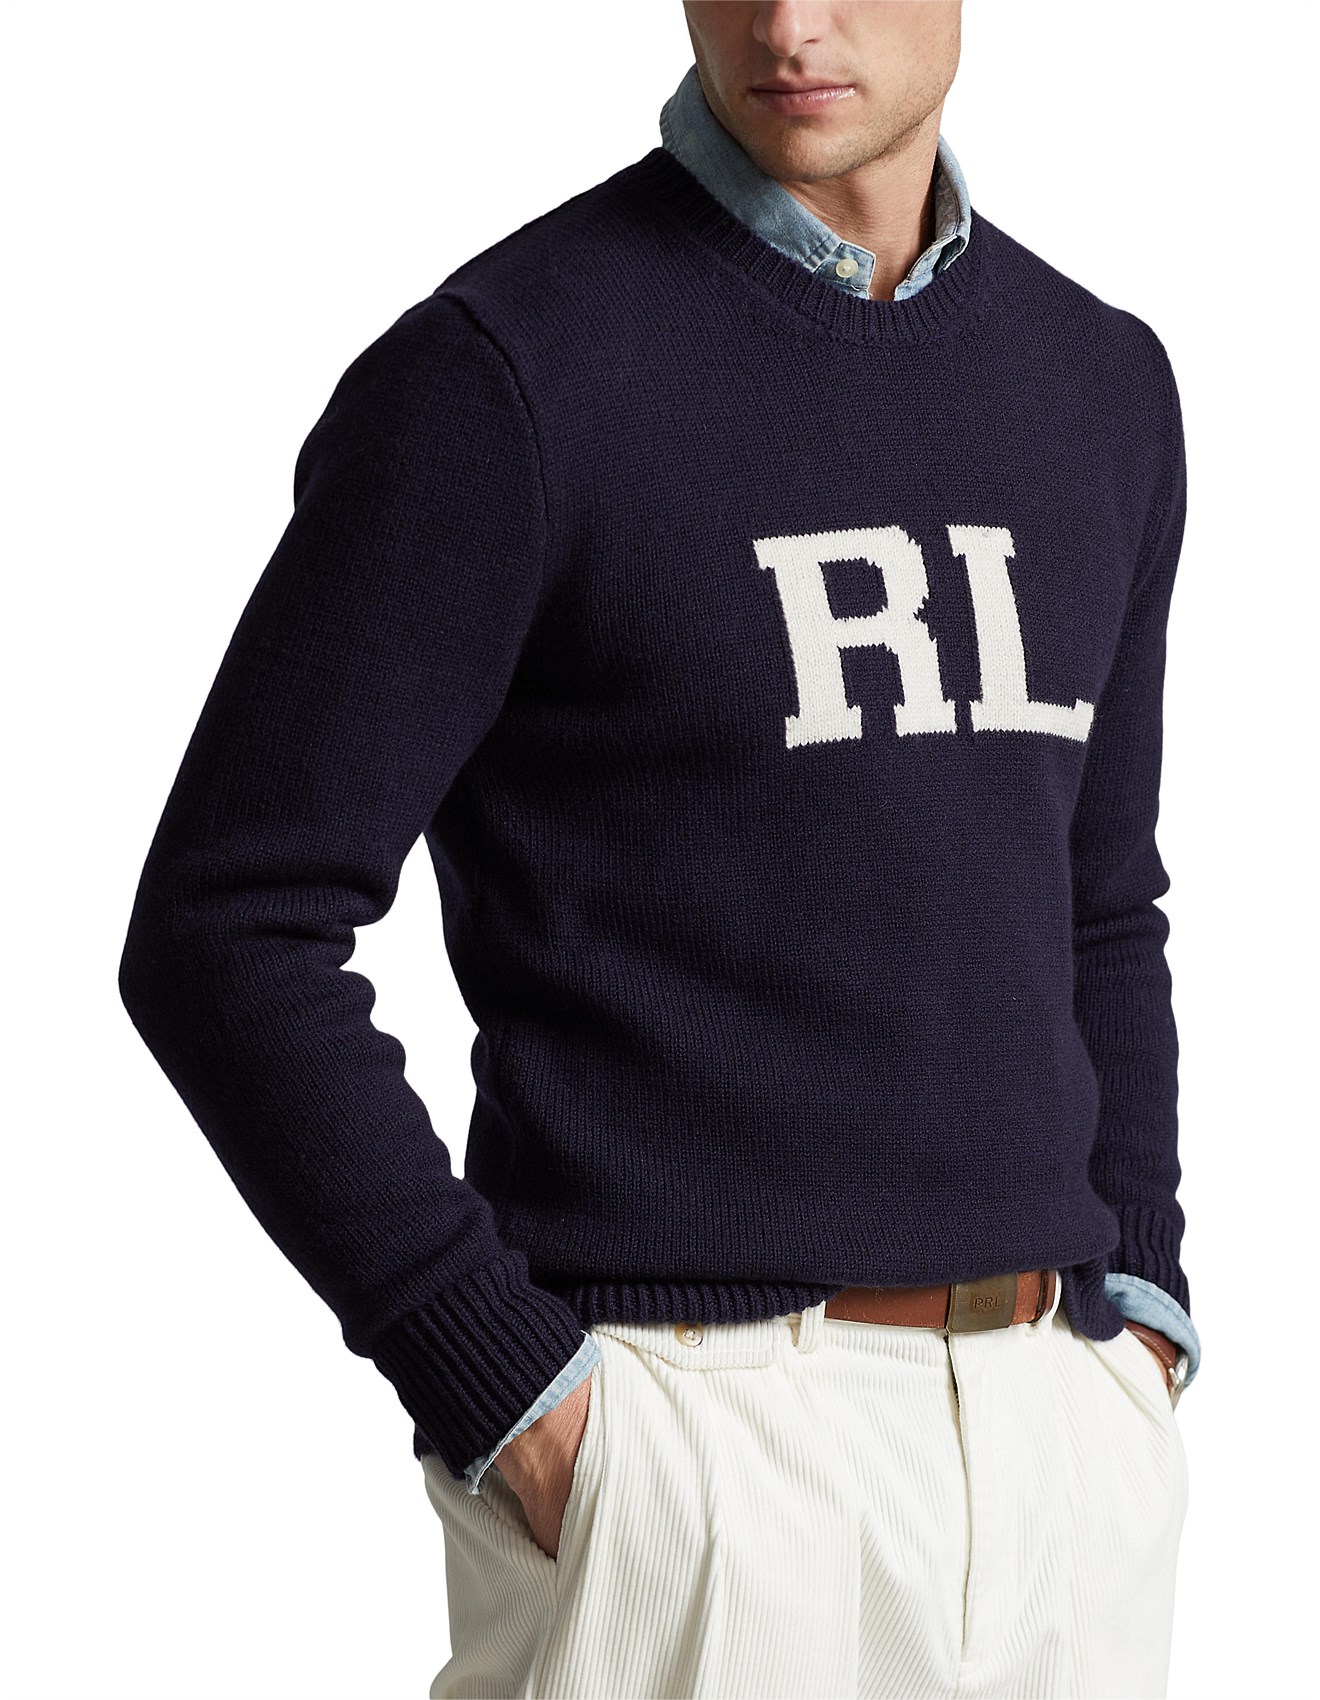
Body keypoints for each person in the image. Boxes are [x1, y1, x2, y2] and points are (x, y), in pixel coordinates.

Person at [117, 2, 1201, 1695]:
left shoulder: (1101, 384)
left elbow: (1099, 896)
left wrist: (1139, 1306)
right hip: (695, 1443)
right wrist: (513, 1394)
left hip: (1061, 1438)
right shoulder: (505, 376)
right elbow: (227, 925)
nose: (787, 23)